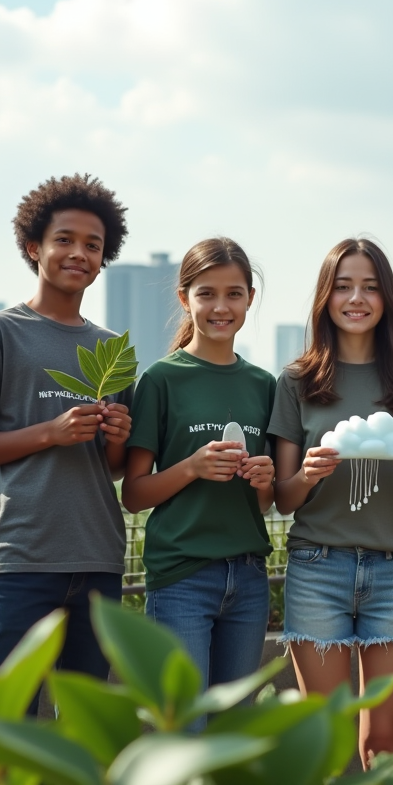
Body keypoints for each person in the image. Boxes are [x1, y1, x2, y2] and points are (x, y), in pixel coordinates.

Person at [0, 174, 133, 784]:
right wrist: (50, 433)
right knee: (0, 740)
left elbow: (111, 469)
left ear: (104, 258)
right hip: (21, 556)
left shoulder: (113, 352)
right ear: (34, 245)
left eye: (92, 245)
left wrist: (119, 435)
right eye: (64, 240)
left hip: (98, 556)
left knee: (81, 743)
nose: (78, 253)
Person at [269, 238, 393, 768]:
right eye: (343, 286)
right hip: (316, 567)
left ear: (387, 300)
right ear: (326, 297)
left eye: (370, 287)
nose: (357, 298)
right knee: (323, 737)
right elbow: (283, 499)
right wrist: (306, 473)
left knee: (386, 741)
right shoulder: (297, 382)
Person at [121, 238, 275, 714]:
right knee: (183, 730)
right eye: (207, 293)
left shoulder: (264, 385)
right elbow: (133, 494)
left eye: (234, 293)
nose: (221, 306)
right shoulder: (161, 380)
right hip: (182, 579)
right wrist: (191, 467)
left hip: (249, 579)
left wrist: (264, 478)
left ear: (250, 298)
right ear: (185, 299)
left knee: (233, 734)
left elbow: (266, 504)